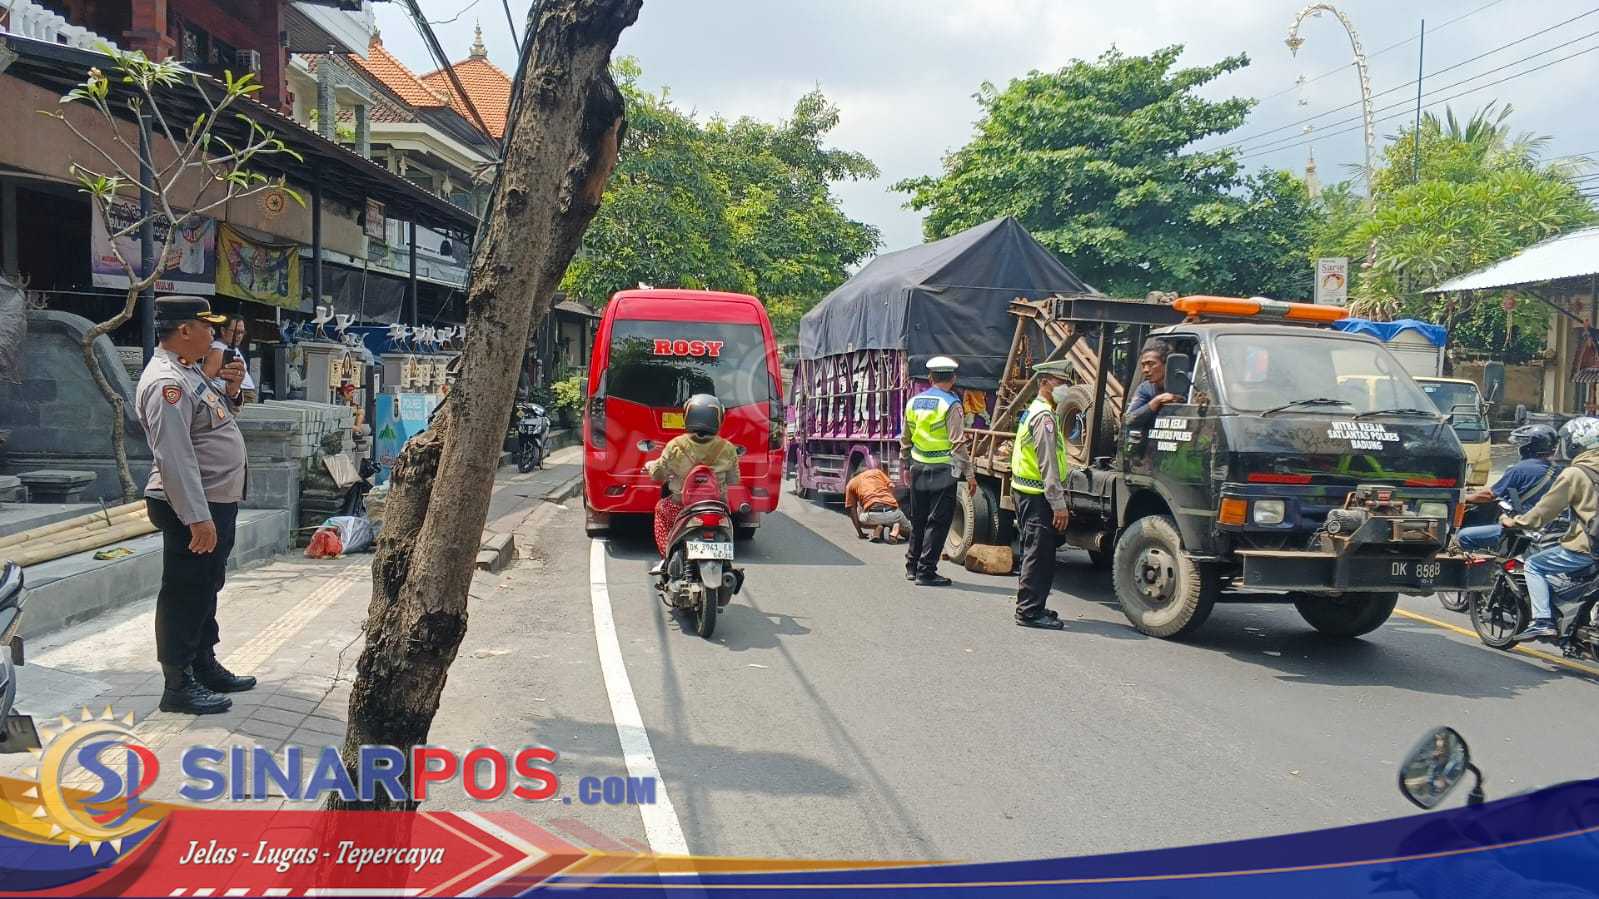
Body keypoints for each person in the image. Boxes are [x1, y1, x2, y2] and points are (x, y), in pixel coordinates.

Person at [135, 296, 257, 716]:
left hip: (213, 499)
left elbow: (213, 421)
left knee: (207, 584)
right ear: (185, 331)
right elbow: (175, 456)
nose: (215, 334)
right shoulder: (165, 383)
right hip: (192, 504)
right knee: (185, 591)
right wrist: (197, 517)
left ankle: (203, 664)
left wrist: (234, 390)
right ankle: (178, 683)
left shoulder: (189, 373)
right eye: (208, 327)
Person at [1499, 417, 1599, 641]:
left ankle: (1542, 621)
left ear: (1576, 445)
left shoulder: (1575, 473)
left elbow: (1544, 511)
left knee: (1534, 565)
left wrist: (1516, 522)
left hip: (1590, 547)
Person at [1010, 360, 1072, 630]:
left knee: (1037, 552)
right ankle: (1029, 612)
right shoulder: (1044, 416)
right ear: (1045, 381)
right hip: (1037, 496)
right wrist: (1058, 504)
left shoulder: (1037, 411)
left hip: (1027, 491)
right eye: (1061, 383)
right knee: (1038, 554)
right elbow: (1047, 463)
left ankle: (1035, 604)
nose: (1065, 389)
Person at [901, 356, 973, 587]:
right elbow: (957, 443)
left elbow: (906, 439)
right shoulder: (951, 404)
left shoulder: (913, 402)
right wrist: (970, 475)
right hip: (943, 470)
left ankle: (912, 566)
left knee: (918, 519)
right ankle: (927, 571)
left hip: (918, 466)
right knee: (938, 522)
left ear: (930, 377)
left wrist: (905, 465)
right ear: (953, 378)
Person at [648, 393, 740, 559]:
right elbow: (734, 479)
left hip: (681, 506)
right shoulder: (728, 448)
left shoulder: (675, 446)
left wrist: (650, 467)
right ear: (718, 418)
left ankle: (667, 556)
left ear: (688, 416)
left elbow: (658, 474)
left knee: (661, 509)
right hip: (718, 507)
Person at [1456, 424, 1559, 552]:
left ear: (1530, 446)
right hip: (1548, 529)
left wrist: (1463, 496)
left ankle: (1482, 571)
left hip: (1524, 528)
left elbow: (1489, 495)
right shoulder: (1558, 469)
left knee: (1464, 536)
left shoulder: (1521, 469)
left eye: (1523, 443)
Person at [1125, 339, 1185, 431]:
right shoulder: (1145, 388)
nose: (1145, 370)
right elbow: (1129, 419)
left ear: (1167, 364)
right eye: (1143, 365)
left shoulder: (1188, 382)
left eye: (1151, 364)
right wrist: (1157, 401)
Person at [845, 462, 909, 544]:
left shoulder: (851, 483)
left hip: (871, 516)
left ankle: (878, 527)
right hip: (893, 512)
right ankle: (895, 531)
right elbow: (892, 487)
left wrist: (860, 533)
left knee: (858, 508)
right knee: (908, 531)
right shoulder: (877, 472)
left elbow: (851, 510)